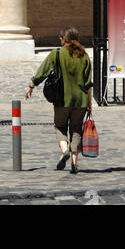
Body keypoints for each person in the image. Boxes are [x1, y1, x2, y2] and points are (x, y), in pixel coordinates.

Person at [26, 27, 93, 173]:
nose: (59, 39)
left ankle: (64, 151)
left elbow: (42, 72)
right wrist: (89, 103)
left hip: (62, 99)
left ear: (64, 39)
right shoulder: (84, 55)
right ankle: (74, 163)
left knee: (59, 127)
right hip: (80, 100)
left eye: (60, 37)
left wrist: (32, 85)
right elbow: (88, 83)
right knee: (76, 130)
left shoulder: (56, 53)